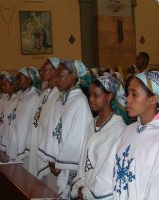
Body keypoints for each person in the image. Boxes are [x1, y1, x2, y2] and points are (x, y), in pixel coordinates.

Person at [94, 71, 159, 199]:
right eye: (128, 93)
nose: (127, 99)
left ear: (154, 99)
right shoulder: (129, 130)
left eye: (134, 94)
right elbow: (107, 174)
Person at [37, 59, 93, 198]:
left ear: (73, 76)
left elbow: (77, 140)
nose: (56, 80)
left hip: (69, 166)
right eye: (55, 76)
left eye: (60, 76)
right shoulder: (61, 98)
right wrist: (51, 158)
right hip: (56, 162)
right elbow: (51, 128)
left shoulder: (79, 101)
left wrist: (60, 163)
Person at [70, 76, 127, 199]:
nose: (91, 99)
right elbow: (83, 159)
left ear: (109, 96)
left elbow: (109, 168)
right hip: (84, 188)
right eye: (90, 95)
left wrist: (89, 192)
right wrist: (80, 184)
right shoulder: (92, 123)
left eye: (96, 95)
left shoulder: (119, 128)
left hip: (101, 193)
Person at [28, 58, 60, 176]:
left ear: (55, 71)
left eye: (44, 69)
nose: (41, 72)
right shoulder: (45, 94)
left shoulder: (58, 95)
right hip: (39, 143)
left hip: (50, 153)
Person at [5, 67, 40, 165]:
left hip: (25, 144)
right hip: (14, 138)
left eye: (19, 78)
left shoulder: (34, 97)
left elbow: (28, 123)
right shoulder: (21, 95)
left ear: (28, 79)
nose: (16, 81)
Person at [0, 73, 16, 149]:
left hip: (8, 129)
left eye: (5, 85)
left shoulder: (16, 99)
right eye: (2, 85)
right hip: (1, 127)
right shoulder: (6, 98)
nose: (2, 87)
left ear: (12, 86)